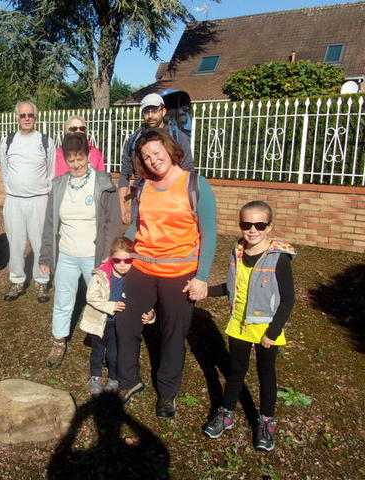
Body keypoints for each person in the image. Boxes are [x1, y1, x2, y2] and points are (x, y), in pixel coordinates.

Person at [115, 128, 217, 419]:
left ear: (170, 151)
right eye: (146, 157)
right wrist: (121, 250)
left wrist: (202, 276)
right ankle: (129, 381)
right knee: (125, 321)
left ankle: (167, 393)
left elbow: (209, 234)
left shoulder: (195, 185)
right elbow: (138, 226)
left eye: (157, 153)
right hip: (142, 267)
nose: (152, 160)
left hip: (179, 274)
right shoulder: (144, 186)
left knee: (172, 333)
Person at [202, 201, 295, 452]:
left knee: (266, 373)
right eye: (246, 224)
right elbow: (231, 287)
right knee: (236, 370)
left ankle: (265, 422)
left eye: (259, 224)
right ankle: (226, 413)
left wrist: (272, 332)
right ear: (240, 225)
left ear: (269, 227)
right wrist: (204, 291)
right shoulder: (238, 251)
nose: (252, 230)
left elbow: (288, 300)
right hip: (239, 324)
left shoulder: (279, 258)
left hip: (266, 327)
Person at [39, 133, 121, 368]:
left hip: (94, 255)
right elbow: (50, 223)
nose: (76, 164)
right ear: (65, 159)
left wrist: (109, 252)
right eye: (71, 159)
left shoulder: (103, 182)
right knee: (63, 300)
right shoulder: (59, 184)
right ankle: (58, 341)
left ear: (88, 156)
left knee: (98, 299)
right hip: (66, 254)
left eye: (80, 158)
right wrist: (46, 255)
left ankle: (103, 342)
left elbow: (112, 222)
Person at [79, 237, 157, 396]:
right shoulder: (101, 275)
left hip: (118, 325)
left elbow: (144, 300)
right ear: (111, 258)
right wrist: (111, 306)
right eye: (118, 260)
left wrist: (152, 314)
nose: (122, 264)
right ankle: (96, 378)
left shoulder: (134, 279)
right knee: (97, 352)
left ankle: (114, 378)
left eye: (127, 261)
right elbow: (91, 297)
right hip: (99, 322)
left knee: (114, 353)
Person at [0, 101, 56, 303]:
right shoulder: (7, 141)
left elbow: (51, 172)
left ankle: (41, 280)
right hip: (14, 201)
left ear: (35, 117)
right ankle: (17, 280)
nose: (26, 118)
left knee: (40, 243)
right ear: (17, 117)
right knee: (15, 243)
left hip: (39, 201)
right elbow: (4, 171)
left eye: (30, 115)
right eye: (22, 115)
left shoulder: (46, 141)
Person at [118, 93, 194, 239]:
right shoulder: (135, 139)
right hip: (141, 199)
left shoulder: (177, 137)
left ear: (163, 111)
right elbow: (125, 172)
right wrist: (122, 205)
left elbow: (188, 170)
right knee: (140, 239)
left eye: (154, 110)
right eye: (147, 111)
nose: (150, 116)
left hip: (171, 200)